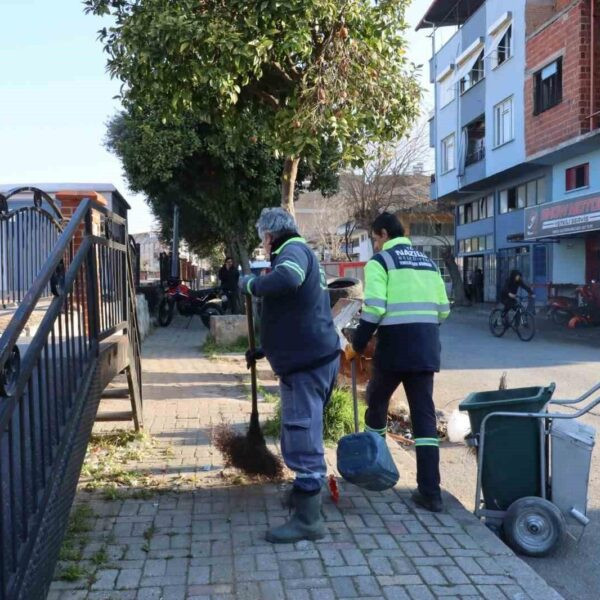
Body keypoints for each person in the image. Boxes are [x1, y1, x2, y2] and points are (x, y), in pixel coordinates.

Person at [239, 207, 340, 543]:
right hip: (313, 357)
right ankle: (304, 496)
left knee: (301, 437)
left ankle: (309, 521)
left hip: (306, 365)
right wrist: (265, 349)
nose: (264, 247)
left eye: (263, 241)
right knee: (302, 431)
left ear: (269, 236)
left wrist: (252, 284)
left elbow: (288, 280)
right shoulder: (299, 252)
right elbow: (298, 313)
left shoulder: (293, 251)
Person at [344, 213, 450, 513]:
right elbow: (443, 311)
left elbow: (375, 307)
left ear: (383, 234)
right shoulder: (428, 263)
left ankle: (375, 472)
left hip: (393, 349)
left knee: (376, 405)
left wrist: (358, 341)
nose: (375, 245)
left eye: (375, 239)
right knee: (424, 419)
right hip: (426, 349)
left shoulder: (381, 263)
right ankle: (430, 492)